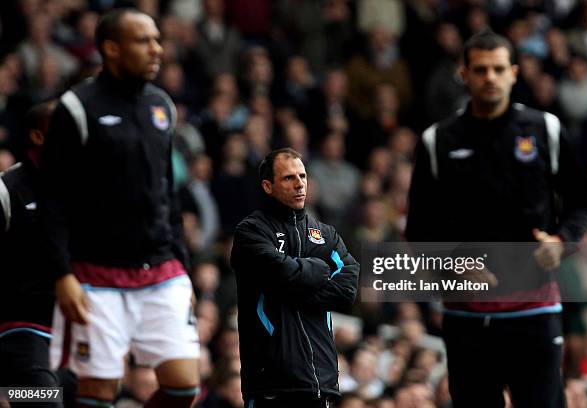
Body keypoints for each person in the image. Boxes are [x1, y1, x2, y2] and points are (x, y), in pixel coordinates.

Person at [405, 30, 587, 408]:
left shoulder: (545, 129)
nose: (489, 77)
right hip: (466, 315)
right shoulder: (436, 141)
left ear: (514, 73)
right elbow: (419, 231)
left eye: (497, 69)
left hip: (535, 308)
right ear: (464, 74)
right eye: (479, 69)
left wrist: (563, 242)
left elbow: (581, 198)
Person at [39, 8, 199, 408]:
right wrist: (62, 274)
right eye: (143, 41)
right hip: (96, 276)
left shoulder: (162, 106)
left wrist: (183, 266)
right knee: (97, 395)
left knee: (183, 388)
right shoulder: (76, 107)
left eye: (157, 39)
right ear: (111, 49)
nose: (156, 49)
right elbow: (53, 198)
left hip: (161, 271)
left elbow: (168, 193)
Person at [231, 148, 360, 407]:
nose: (300, 184)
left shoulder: (326, 234)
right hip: (271, 382)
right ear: (268, 186)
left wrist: (293, 285)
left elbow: (348, 289)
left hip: (320, 381)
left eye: (303, 176)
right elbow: (278, 271)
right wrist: (320, 270)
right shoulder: (251, 231)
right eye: (289, 178)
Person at [0, 101, 61, 403]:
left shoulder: (93, 188)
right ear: (37, 137)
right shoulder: (7, 190)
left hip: (76, 336)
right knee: (40, 400)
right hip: (23, 331)